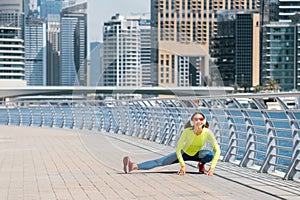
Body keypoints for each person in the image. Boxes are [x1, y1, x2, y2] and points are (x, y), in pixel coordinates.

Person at [123, 112, 221, 176]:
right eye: (196, 119)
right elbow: (178, 149)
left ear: (204, 121)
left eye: (201, 119)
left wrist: (212, 168)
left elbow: (217, 150)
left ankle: (201, 164)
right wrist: (182, 165)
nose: (198, 121)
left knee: (209, 154)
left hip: (198, 154)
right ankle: (133, 166)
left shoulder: (208, 132)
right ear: (192, 122)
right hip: (183, 154)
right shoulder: (187, 131)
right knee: (159, 162)